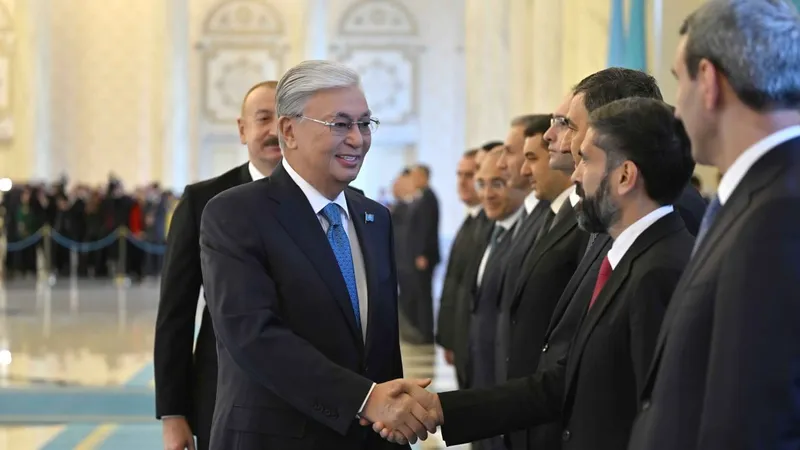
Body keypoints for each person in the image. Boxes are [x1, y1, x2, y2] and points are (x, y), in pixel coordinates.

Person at [368, 97, 698, 450]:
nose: (575, 175)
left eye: (586, 160)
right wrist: (440, 407)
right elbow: (565, 381)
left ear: (625, 175)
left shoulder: (660, 270)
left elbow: (662, 417)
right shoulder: (626, 255)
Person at [199, 60, 438, 450]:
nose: (358, 139)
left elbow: (380, 349)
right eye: (340, 124)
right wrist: (365, 399)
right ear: (289, 131)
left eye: (365, 123)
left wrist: (394, 418)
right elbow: (252, 335)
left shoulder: (374, 218)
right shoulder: (235, 213)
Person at [628, 1, 800, 449]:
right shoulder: (759, 194)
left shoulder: (780, 213)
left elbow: (755, 422)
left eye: (678, 80)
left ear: (707, 81)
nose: (675, 110)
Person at [154, 80, 281, 450]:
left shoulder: (332, 200)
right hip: (224, 394)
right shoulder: (203, 201)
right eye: (263, 119)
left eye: (285, 119)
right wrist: (173, 413)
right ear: (243, 129)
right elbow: (175, 314)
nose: (274, 130)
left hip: (313, 400)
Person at [436, 149, 492, 388]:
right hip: (461, 338)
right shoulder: (470, 222)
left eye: (470, 175)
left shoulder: (490, 225)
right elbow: (453, 284)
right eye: (460, 174)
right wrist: (448, 338)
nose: (463, 182)